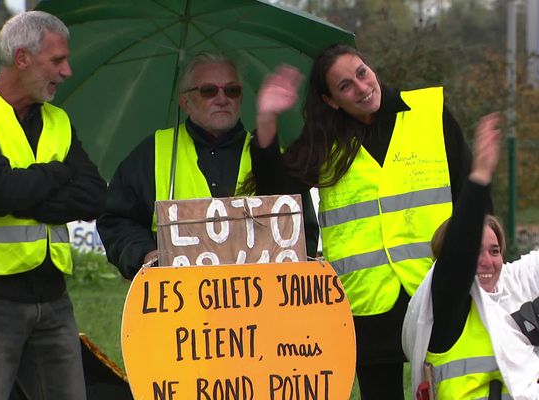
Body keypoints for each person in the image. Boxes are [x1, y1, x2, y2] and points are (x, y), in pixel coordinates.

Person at [251, 44, 474, 399]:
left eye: (361, 72)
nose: (362, 87)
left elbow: (467, 189)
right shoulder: (324, 141)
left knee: (453, 391)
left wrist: (474, 259)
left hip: (434, 286)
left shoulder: (429, 112)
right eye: (345, 86)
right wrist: (266, 119)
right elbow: (276, 194)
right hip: (367, 299)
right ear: (331, 101)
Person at [0, 11, 106, 399]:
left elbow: (93, 196)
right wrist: (58, 172)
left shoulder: (59, 120)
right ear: (21, 58)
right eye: (57, 61)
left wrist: (28, 191)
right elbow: (0, 192)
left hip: (53, 299)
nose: (67, 71)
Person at [97, 53, 319, 279]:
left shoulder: (270, 156)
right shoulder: (153, 152)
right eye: (209, 91)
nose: (222, 99)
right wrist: (145, 255)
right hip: (180, 302)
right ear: (185, 102)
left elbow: (302, 229)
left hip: (262, 302)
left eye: (232, 90)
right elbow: (116, 220)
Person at [403, 114, 539, 399]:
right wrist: (478, 180)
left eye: (495, 251)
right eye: (474, 252)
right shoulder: (443, 309)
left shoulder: (512, 287)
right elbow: (456, 263)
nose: (488, 261)